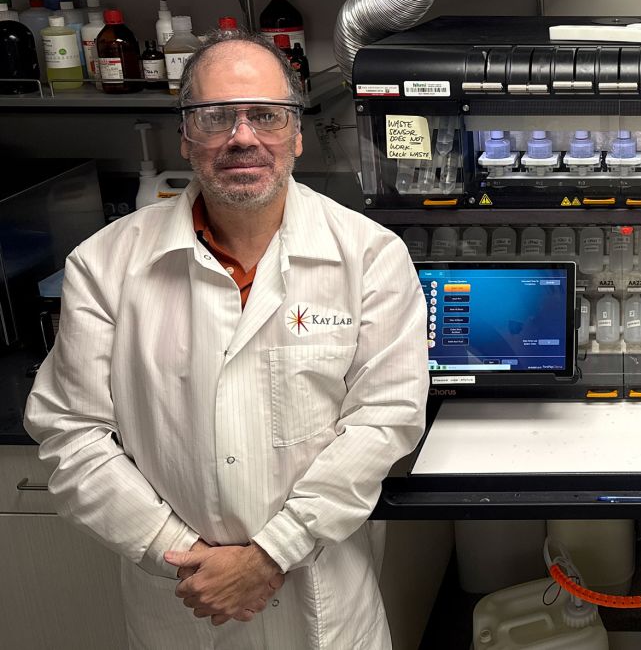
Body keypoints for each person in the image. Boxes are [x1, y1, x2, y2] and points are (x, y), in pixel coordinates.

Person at [24, 33, 428, 649]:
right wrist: (180, 553)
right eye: (215, 117)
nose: (243, 137)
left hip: (321, 602)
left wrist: (271, 554)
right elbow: (71, 432)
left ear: (296, 133)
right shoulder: (105, 265)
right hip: (183, 597)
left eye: (266, 115)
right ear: (186, 136)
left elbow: (384, 420)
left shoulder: (370, 255)